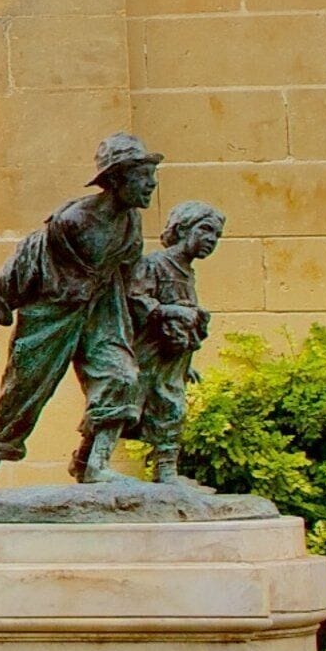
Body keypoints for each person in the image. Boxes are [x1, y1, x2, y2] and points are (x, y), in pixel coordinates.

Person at [0, 133, 160, 486]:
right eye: (143, 176)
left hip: (102, 309)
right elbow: (26, 259)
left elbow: (131, 275)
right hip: (53, 313)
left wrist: (151, 312)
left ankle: (92, 463)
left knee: (120, 376)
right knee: (24, 392)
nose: (151, 184)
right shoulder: (71, 221)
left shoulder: (132, 221)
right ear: (117, 178)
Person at [123, 200, 223, 486]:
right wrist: (172, 311)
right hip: (146, 356)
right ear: (181, 228)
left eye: (216, 235)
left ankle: (166, 472)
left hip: (172, 360)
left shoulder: (187, 272)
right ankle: (87, 461)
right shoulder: (154, 263)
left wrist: (186, 364)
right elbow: (137, 300)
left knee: (172, 409)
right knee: (124, 410)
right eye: (205, 230)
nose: (211, 240)